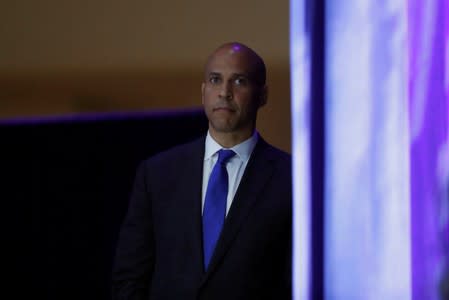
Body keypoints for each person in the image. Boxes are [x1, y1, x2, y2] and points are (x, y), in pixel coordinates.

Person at [112, 42, 292, 300]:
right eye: (215, 80)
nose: (224, 92)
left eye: (239, 81)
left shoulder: (291, 180)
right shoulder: (157, 175)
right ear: (204, 90)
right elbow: (129, 278)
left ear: (262, 95)